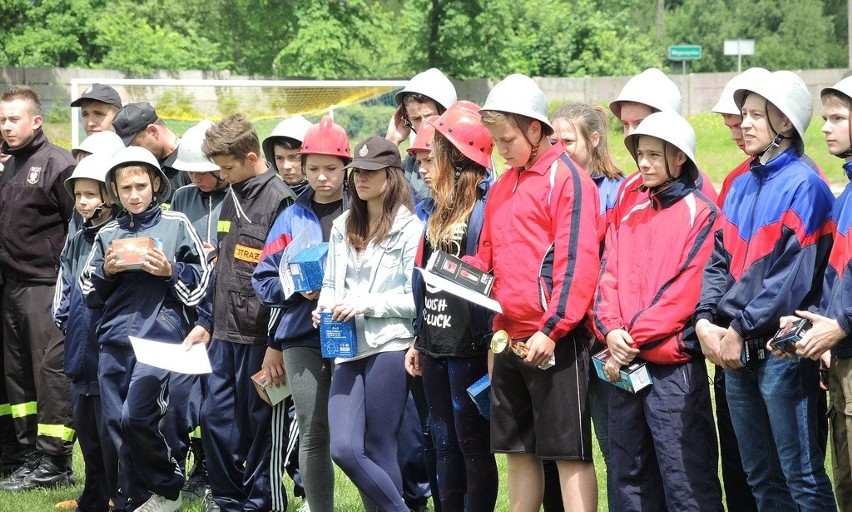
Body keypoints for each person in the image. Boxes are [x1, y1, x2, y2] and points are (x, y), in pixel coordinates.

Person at [695, 70, 837, 511]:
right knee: (760, 477)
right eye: (745, 113)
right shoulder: (738, 184)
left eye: (758, 115)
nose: (746, 123)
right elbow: (718, 260)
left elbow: (790, 277)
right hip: (735, 348)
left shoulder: (806, 184)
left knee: (801, 477)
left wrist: (739, 326)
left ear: (786, 124)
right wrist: (705, 319)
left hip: (781, 354)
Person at [467, 74, 600, 512]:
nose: (500, 150)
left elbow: (577, 264)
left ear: (536, 129)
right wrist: (454, 274)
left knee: (568, 453)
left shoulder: (569, 180)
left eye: (507, 140)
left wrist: (553, 329)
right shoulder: (504, 184)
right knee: (517, 450)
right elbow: (487, 257)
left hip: (553, 340)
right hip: (509, 338)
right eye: (496, 141)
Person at [593, 111, 722, 511]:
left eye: (653, 155)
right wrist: (610, 332)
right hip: (625, 368)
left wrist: (627, 338)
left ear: (678, 158)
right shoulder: (630, 213)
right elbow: (608, 277)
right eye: (640, 155)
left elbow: (684, 292)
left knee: (686, 482)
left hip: (673, 373)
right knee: (630, 480)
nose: (643, 163)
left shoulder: (701, 213)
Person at [81, 146, 210, 512]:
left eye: (141, 185)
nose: (134, 195)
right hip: (112, 341)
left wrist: (170, 270)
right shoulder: (107, 233)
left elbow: (202, 283)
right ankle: (134, 501)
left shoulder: (177, 224)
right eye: (125, 189)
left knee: (135, 416)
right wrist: (106, 272)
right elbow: (88, 292)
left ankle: (167, 486)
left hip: (160, 340)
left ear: (156, 183)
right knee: (113, 427)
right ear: (115, 192)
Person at [183, 113, 296, 512]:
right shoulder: (231, 194)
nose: (221, 175)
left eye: (227, 167)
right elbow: (225, 267)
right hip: (224, 334)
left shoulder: (280, 201)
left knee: (260, 430)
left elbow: (286, 283)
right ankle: (228, 500)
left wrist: (277, 344)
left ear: (250, 157)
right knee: (214, 420)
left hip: (261, 340)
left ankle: (261, 503)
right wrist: (204, 321)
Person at [311, 136, 422, 512]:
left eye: (371, 172)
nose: (361, 179)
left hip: (390, 344)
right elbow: (330, 285)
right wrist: (323, 308)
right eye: (357, 171)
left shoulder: (411, 229)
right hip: (344, 346)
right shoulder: (343, 225)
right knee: (342, 447)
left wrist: (364, 305)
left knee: (380, 445)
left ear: (391, 176)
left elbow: (413, 302)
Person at [253, 115, 351, 512]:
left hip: (355, 330)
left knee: (358, 437)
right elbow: (262, 280)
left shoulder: (363, 210)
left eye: (331, 168)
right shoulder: (291, 218)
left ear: (347, 167)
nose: (322, 177)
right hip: (301, 337)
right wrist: (296, 287)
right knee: (313, 431)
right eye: (313, 169)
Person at [404, 100, 498, 511]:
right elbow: (422, 277)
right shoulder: (437, 211)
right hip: (434, 342)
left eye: (435, 155)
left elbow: (491, 278)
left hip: (470, 345)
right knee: (442, 444)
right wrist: (417, 338)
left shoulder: (484, 208)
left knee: (472, 445)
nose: (426, 166)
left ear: (458, 161)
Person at [770, 75, 852, 512]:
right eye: (825, 117)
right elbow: (838, 276)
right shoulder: (847, 192)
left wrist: (841, 324)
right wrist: (812, 320)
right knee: (844, 483)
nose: (825, 128)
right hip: (839, 356)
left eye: (838, 118)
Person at [546, 101, 624, 512]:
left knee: (614, 442)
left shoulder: (618, 191)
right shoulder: (553, 185)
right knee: (567, 444)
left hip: (603, 332)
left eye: (569, 140)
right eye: (553, 140)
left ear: (594, 140)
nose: (559, 147)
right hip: (564, 332)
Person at [0, 86, 76, 491]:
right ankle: (29, 455)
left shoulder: (57, 163)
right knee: (18, 377)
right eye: (2, 119)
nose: (7, 126)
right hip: (11, 287)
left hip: (45, 285)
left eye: (14, 119)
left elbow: (78, 226)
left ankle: (56, 462)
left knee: (50, 376)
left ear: (36, 120)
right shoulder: (11, 162)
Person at [53, 152, 120, 512]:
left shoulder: (120, 233)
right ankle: (93, 497)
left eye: (90, 195)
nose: (81, 202)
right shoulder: (78, 234)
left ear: (110, 195)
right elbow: (65, 280)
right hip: (79, 345)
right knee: (87, 431)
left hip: (106, 346)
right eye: (77, 195)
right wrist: (62, 317)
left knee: (111, 431)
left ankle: (117, 494)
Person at [168, 119, 229, 500]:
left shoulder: (237, 196)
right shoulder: (181, 197)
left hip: (222, 308)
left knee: (215, 392)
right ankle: (187, 462)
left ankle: (212, 464)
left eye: (205, 172)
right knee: (184, 390)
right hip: (186, 305)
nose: (198, 179)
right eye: (191, 172)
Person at [609, 68, 717, 208]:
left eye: (640, 123)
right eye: (625, 124)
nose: (630, 134)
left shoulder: (699, 192)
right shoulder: (629, 188)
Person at [387, 68, 458, 205]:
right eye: (416, 119)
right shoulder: (412, 163)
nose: (425, 124)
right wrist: (392, 141)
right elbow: (383, 196)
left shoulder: (467, 157)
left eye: (430, 116)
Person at [112, 102, 189, 199]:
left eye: (137, 146)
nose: (134, 153)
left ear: (153, 131)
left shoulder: (189, 162)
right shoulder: (145, 164)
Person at [262, 115, 313, 196]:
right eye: (279, 158)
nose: (286, 166)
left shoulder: (325, 197)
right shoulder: (269, 196)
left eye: (293, 157)